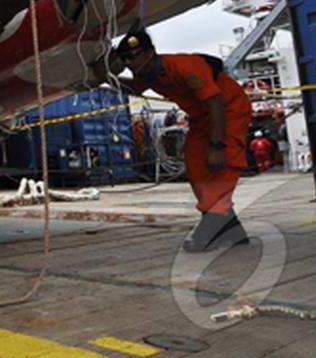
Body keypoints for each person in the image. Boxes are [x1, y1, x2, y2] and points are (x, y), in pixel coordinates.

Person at [105, 30, 253, 252]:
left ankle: (210, 229)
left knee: (222, 166)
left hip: (228, 111)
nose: (130, 63)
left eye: (135, 55)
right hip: (201, 119)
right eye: (126, 59)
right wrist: (101, 79)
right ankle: (233, 232)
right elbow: (133, 88)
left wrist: (217, 146)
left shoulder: (186, 67)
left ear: (150, 53)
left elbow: (216, 104)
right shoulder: (147, 75)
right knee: (195, 167)